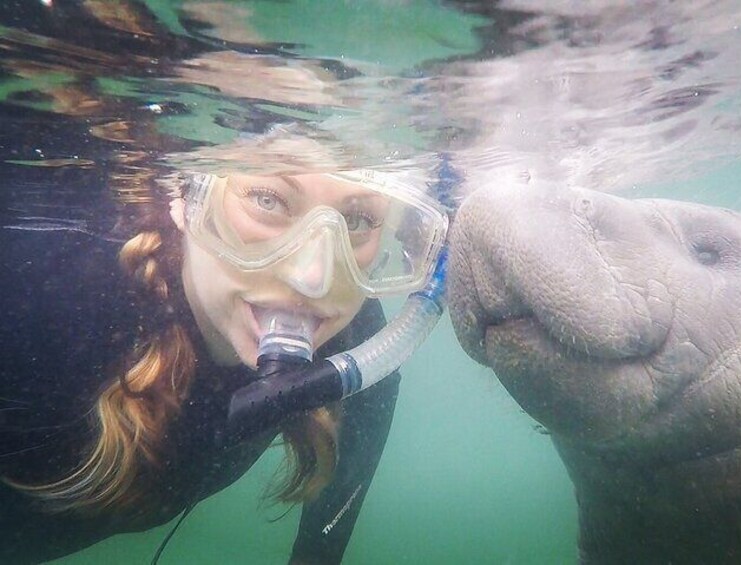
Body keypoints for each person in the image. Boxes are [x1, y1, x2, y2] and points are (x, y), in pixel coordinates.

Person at [0, 163, 449, 563]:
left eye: (357, 220)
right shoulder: (34, 293)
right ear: (185, 197)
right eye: (267, 199)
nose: (313, 278)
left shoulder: (357, 347)